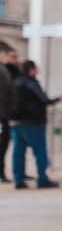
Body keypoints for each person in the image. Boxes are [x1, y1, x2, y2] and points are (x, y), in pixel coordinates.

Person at [8, 60, 62, 189]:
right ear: (31, 70)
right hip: (32, 122)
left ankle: (18, 180)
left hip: (16, 122)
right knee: (39, 151)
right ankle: (42, 179)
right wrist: (56, 100)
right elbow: (44, 100)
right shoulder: (31, 83)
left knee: (18, 152)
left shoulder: (15, 82)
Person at [0, 43, 20, 183]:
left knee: (4, 144)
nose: (15, 60)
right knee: (2, 144)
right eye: (12, 57)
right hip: (2, 115)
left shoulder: (8, 70)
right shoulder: (2, 70)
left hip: (5, 115)